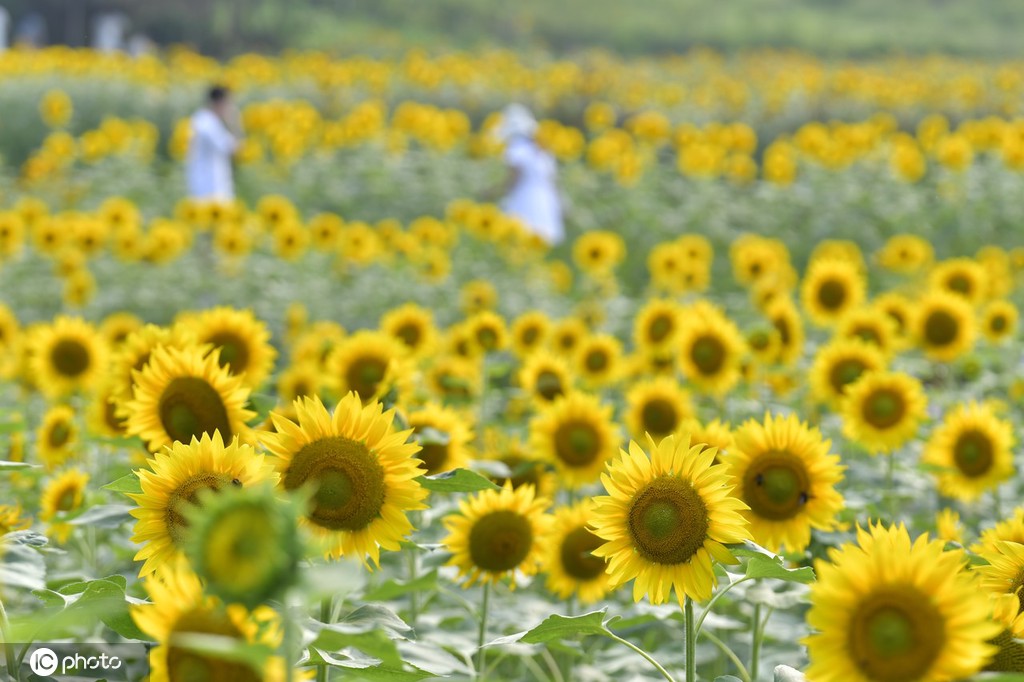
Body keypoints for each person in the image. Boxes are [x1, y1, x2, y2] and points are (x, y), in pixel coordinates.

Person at [494, 104, 564, 246]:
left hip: (524, 198)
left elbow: (514, 178)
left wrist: (496, 192)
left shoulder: (516, 149)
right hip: (545, 199)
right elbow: (553, 179)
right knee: (541, 240)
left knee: (517, 236)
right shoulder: (542, 150)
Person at [186, 85, 240, 201]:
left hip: (206, 185)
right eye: (228, 104)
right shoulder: (208, 124)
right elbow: (233, 149)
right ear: (220, 103)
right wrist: (234, 123)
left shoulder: (201, 119)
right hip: (210, 189)